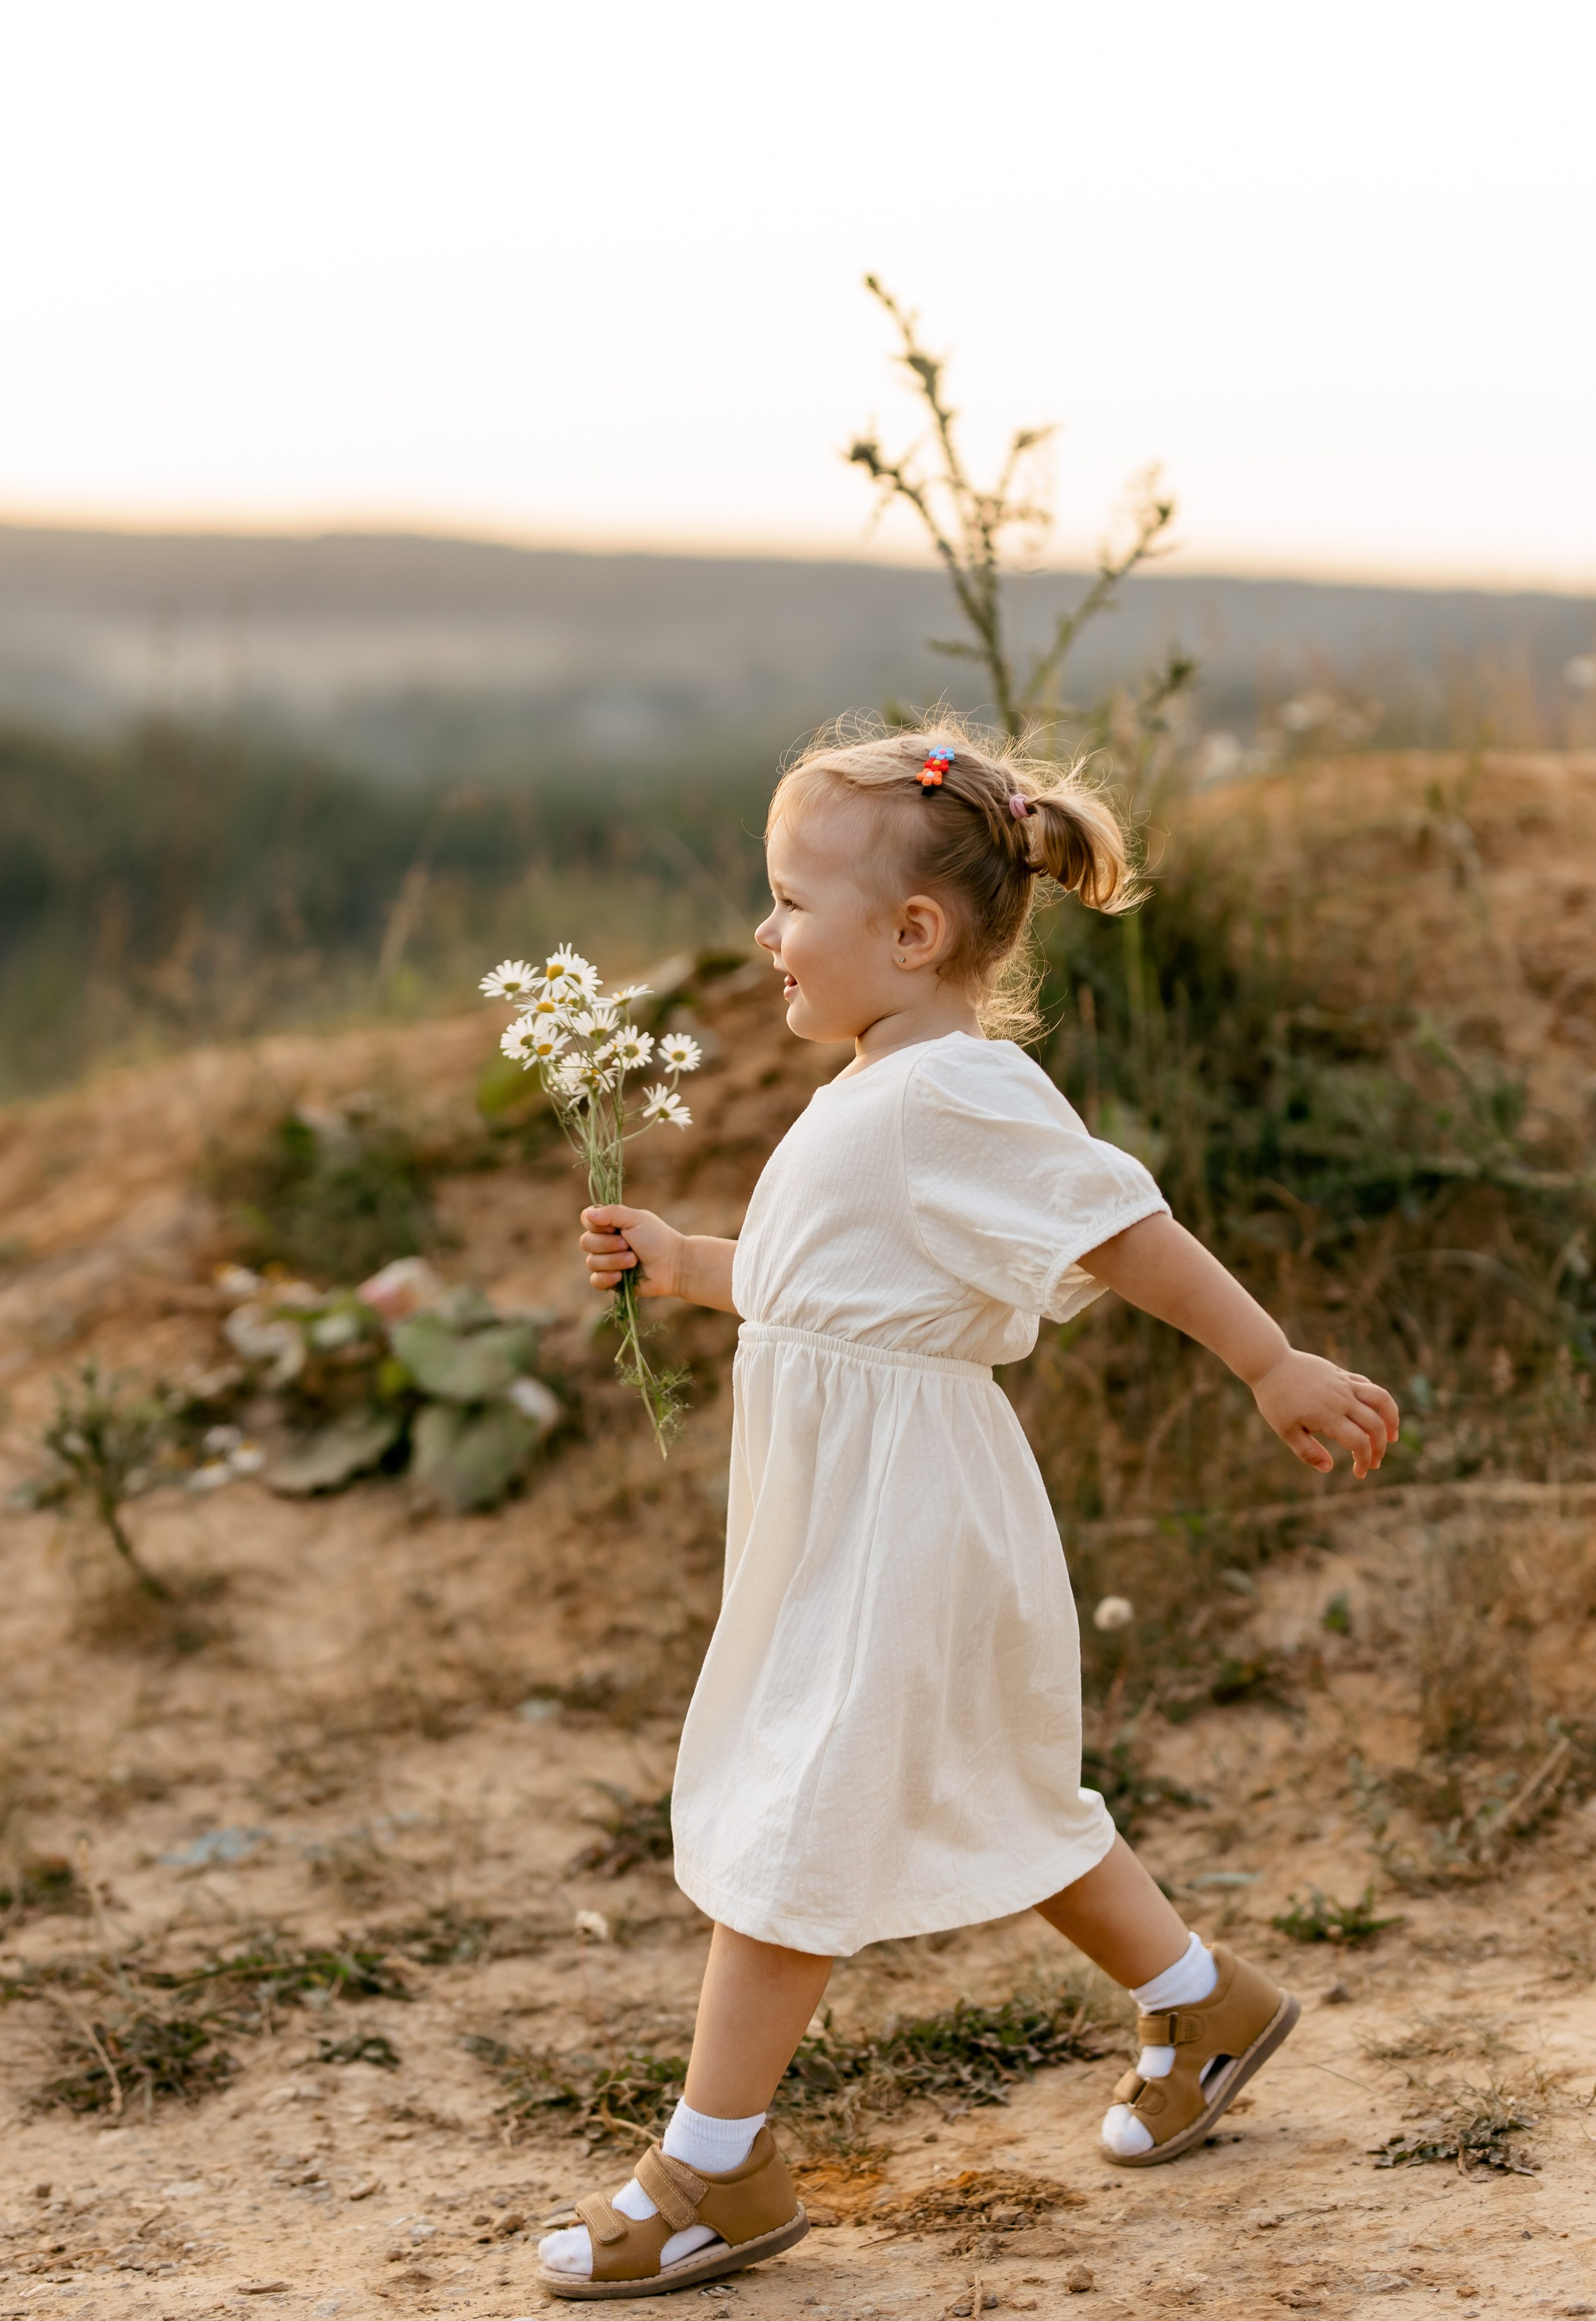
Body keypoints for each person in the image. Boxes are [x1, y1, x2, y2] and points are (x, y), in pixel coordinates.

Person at [538, 722, 1398, 2303]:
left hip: (905, 1523)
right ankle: (1199, 2001)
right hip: (853, 1512)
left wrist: (1266, 1361)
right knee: (996, 1786)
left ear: (912, 932)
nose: (764, 931)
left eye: (789, 899)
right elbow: (834, 1295)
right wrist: (683, 1260)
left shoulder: (956, 1093)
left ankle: (712, 2169)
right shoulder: (881, 1084)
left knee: (794, 1813)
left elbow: (1119, 1223)